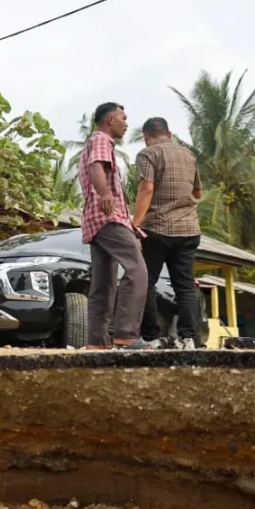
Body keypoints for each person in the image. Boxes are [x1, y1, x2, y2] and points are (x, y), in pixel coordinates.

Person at [78, 103, 148, 350]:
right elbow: (96, 166)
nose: (126, 123)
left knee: (104, 283)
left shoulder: (96, 141)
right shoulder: (100, 139)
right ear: (109, 120)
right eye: (123, 117)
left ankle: (97, 340)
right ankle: (126, 333)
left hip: (95, 222)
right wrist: (105, 194)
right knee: (137, 269)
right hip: (108, 217)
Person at [133, 117, 203, 349]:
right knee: (184, 284)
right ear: (169, 133)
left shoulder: (148, 154)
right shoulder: (189, 156)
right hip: (189, 229)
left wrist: (135, 223)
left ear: (146, 137)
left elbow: (147, 188)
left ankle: (151, 337)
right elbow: (198, 192)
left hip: (157, 229)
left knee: (147, 281)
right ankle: (189, 338)